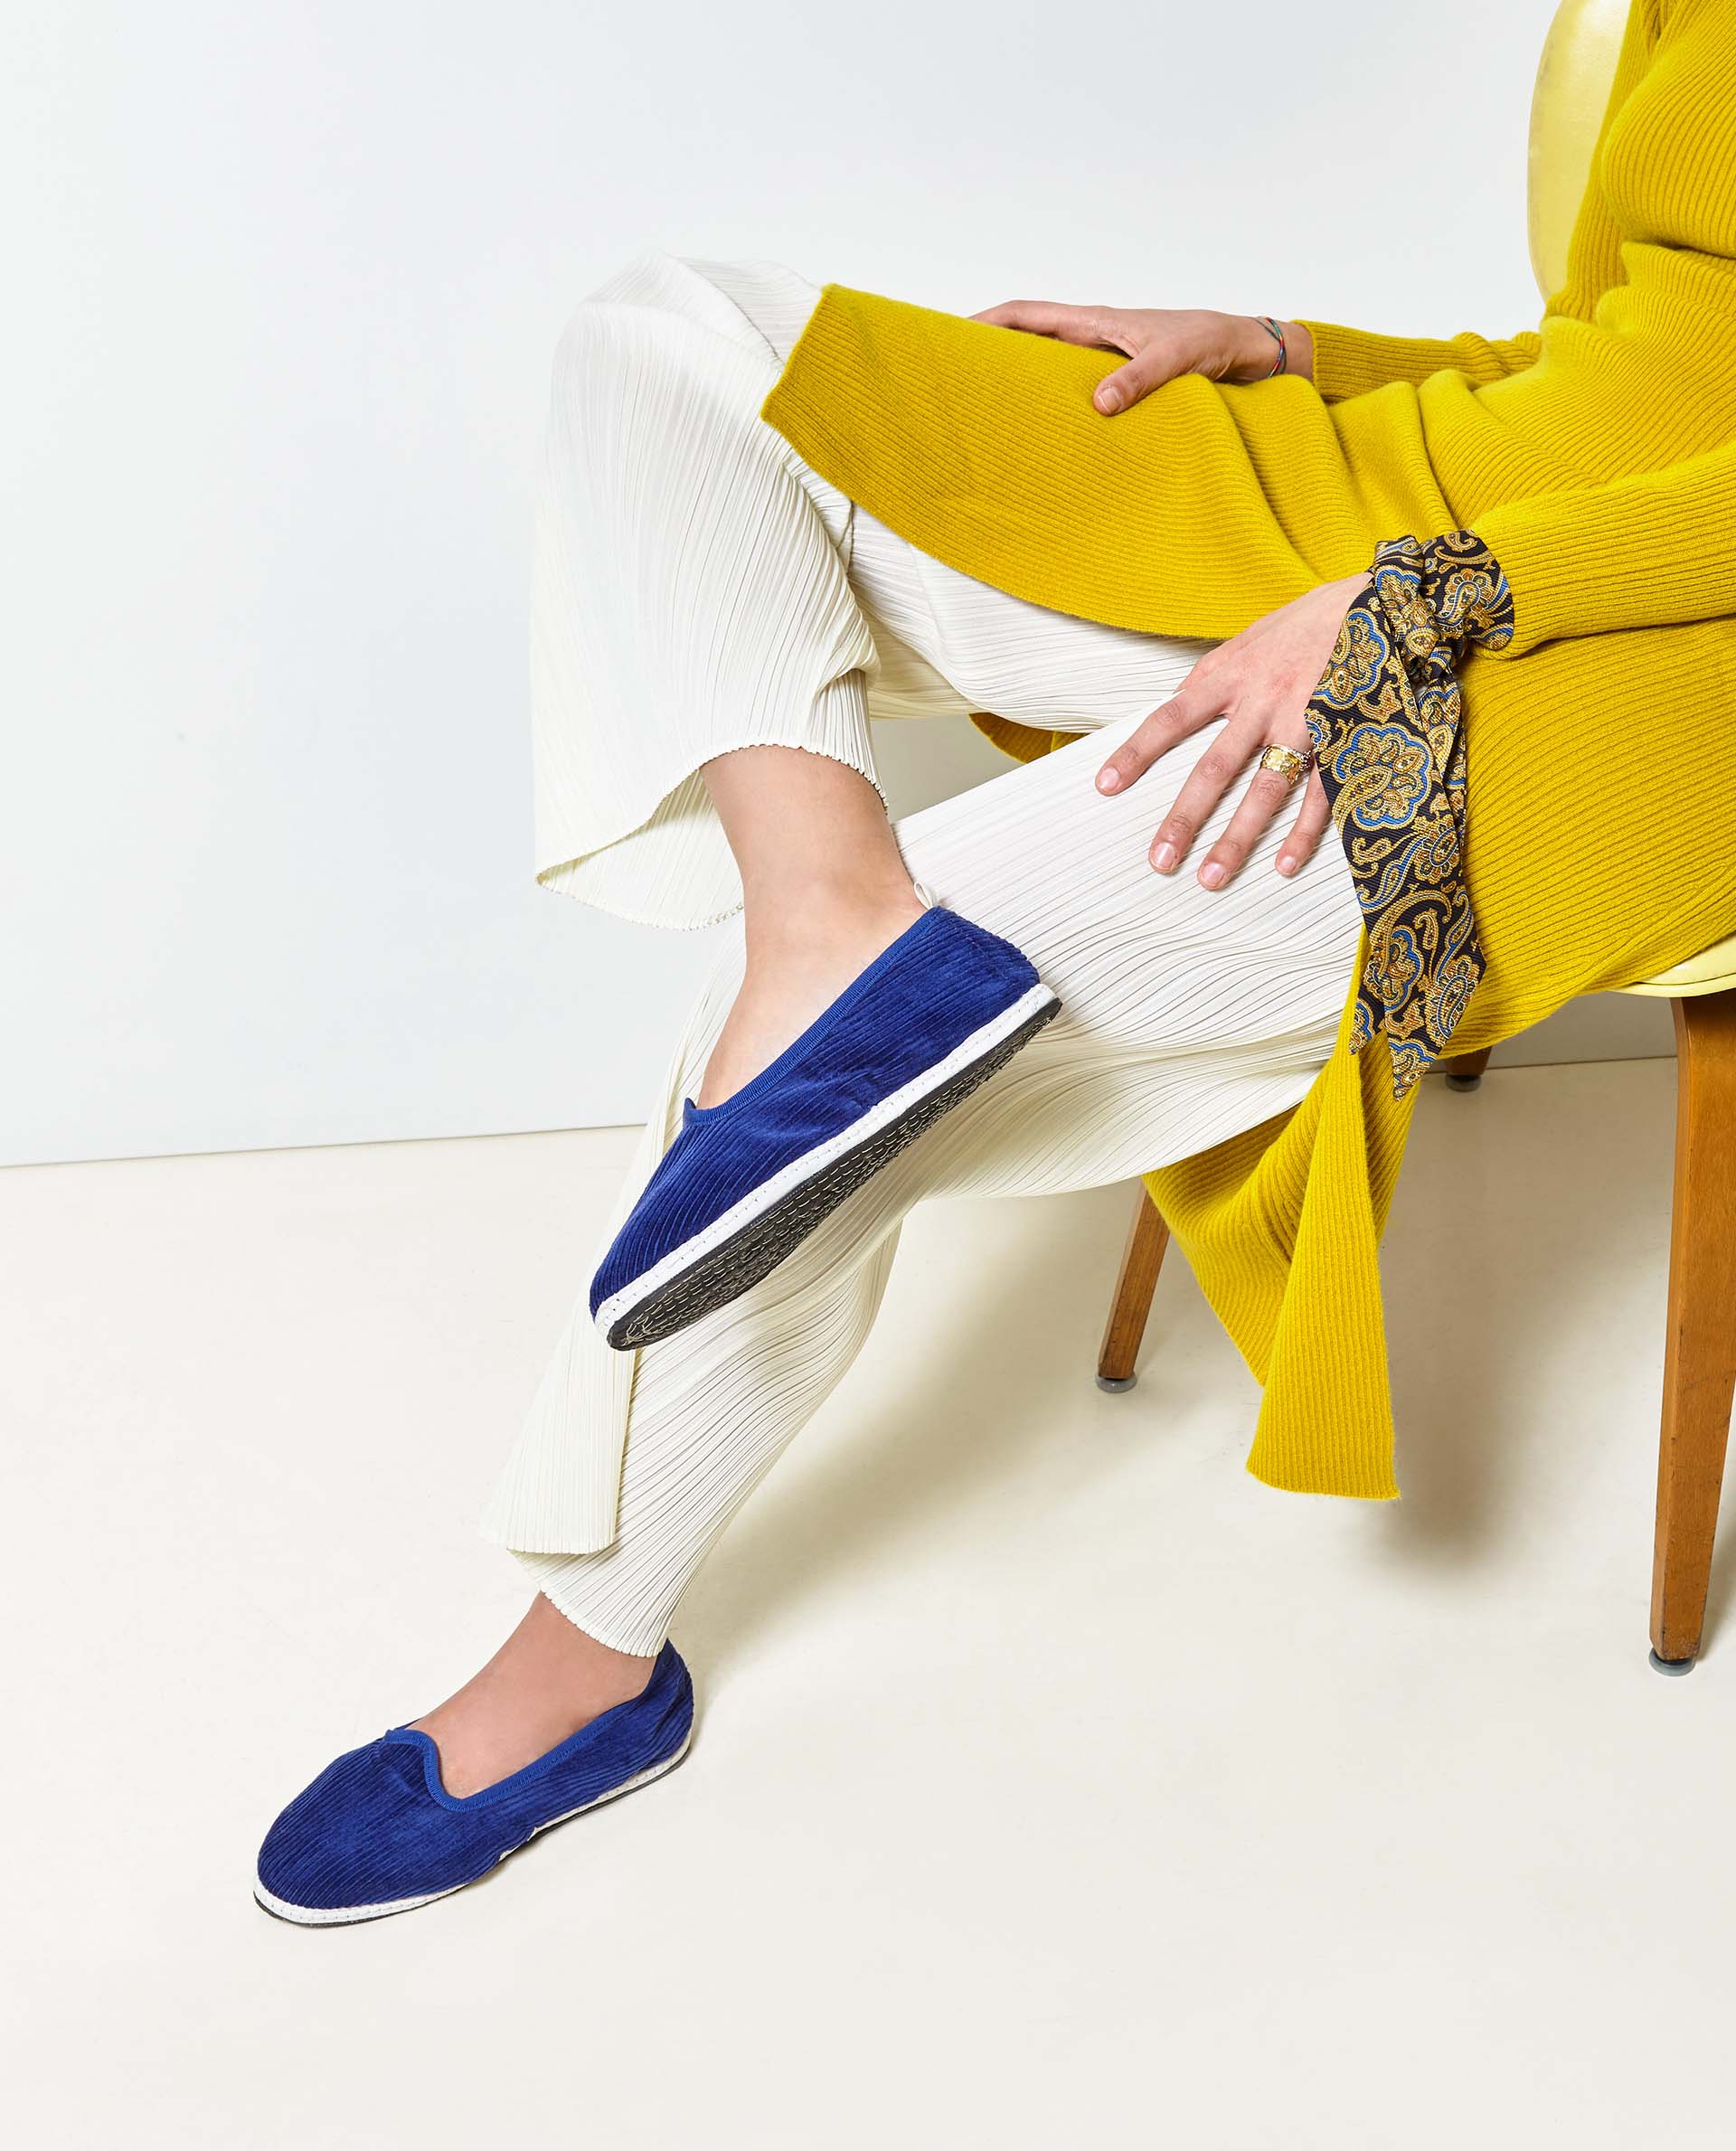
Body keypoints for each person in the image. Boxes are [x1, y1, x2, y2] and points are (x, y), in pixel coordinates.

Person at [255, 0, 1736, 1925]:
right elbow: (1641, 354)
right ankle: (822, 910)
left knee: (867, 1043)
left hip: (1640, 663)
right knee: (675, 344)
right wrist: (1289, 346)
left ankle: (582, 1658)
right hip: (1452, 512)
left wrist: (1440, 595)